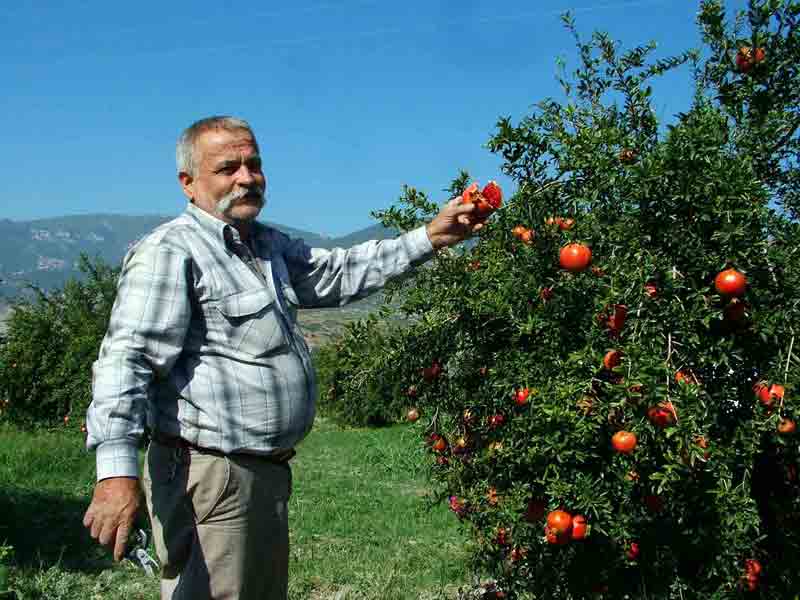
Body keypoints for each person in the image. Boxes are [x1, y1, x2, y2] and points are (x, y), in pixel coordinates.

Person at [81, 116, 488, 599]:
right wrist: (116, 474)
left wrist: (431, 237)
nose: (246, 177)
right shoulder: (172, 251)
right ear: (188, 185)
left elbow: (337, 273)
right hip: (210, 474)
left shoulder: (265, 245)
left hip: (261, 475)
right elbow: (127, 363)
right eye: (227, 167)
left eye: (253, 164)